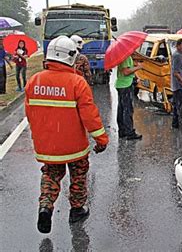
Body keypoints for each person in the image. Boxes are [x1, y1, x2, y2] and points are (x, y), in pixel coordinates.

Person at [24, 36, 109, 234]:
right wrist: (101, 139)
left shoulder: (34, 81)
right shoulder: (77, 83)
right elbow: (90, 116)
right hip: (74, 147)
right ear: (71, 57)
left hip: (48, 147)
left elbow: (30, 115)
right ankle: (77, 210)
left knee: (51, 175)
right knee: (78, 175)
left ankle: (45, 206)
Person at [116, 53, 143, 140]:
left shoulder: (123, 56)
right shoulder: (126, 57)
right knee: (127, 109)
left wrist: (136, 75)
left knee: (122, 109)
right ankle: (129, 132)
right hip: (126, 85)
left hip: (121, 84)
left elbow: (127, 69)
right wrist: (138, 67)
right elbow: (126, 72)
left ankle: (122, 131)